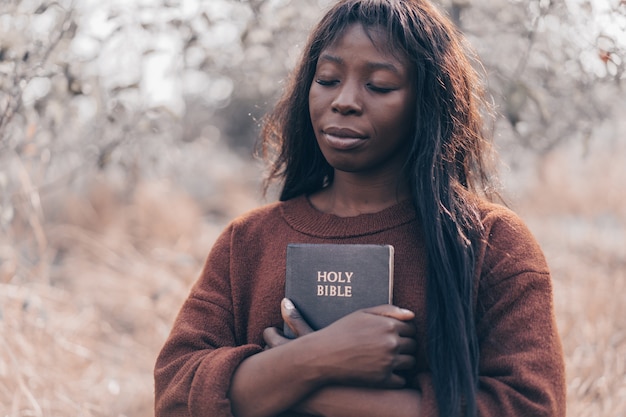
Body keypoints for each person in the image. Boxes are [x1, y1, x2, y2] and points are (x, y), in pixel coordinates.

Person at [154, 0, 566, 416]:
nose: (345, 101)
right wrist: (318, 358)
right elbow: (175, 395)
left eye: (380, 85)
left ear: (428, 102)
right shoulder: (247, 242)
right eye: (328, 79)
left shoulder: (489, 242)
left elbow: (530, 406)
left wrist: (300, 382)